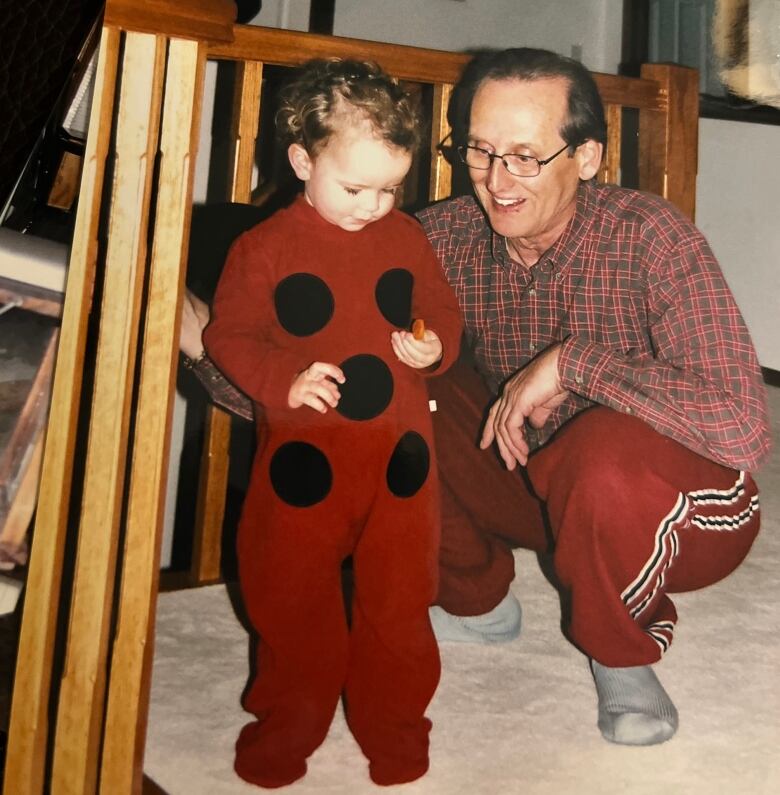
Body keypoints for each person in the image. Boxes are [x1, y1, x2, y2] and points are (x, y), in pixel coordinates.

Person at [184, 47, 772, 751]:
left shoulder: (652, 236)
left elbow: (742, 425)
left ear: (585, 157)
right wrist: (205, 348)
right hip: (536, 489)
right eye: (480, 151)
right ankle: (478, 597)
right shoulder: (439, 239)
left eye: (524, 156)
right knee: (412, 393)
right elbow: (331, 386)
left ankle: (620, 650)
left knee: (600, 448)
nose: (496, 180)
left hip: (684, 513)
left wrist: (572, 365)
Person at [201, 58, 462, 788]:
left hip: (401, 465)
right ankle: (286, 724)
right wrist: (285, 378)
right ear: (302, 160)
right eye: (354, 187)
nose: (372, 206)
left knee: (400, 605)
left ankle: (397, 727)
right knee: (292, 602)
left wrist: (436, 345)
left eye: (389, 189)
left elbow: (442, 310)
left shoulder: (406, 238)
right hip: (304, 466)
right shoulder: (264, 247)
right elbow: (229, 336)